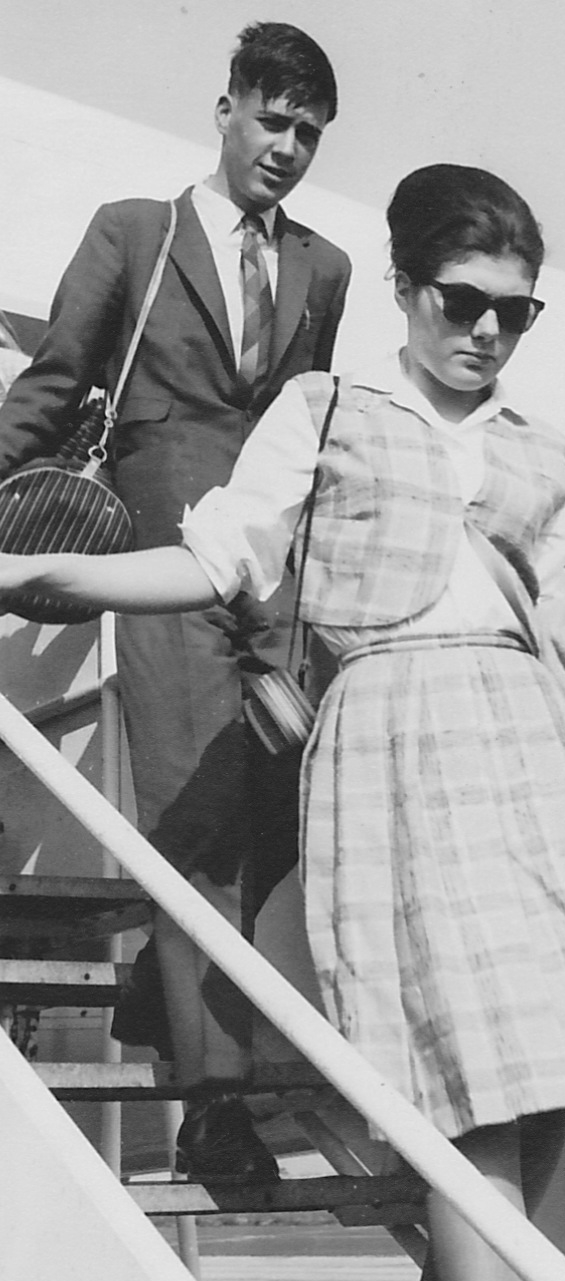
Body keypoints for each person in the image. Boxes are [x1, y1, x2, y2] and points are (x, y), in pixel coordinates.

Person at [0, 163, 565, 1281]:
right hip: (394, 746)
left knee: (555, 1094)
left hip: (529, 753)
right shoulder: (321, 411)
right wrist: (45, 567)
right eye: (461, 300)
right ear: (401, 286)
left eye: (516, 311)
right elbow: (217, 561)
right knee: (478, 1110)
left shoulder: (544, 452)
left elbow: (539, 616)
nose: (487, 331)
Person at [0, 23, 351, 1181]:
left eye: (308, 133)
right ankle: (214, 1105)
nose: (286, 148)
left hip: (270, 569)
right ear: (226, 109)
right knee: (197, 809)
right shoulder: (135, 233)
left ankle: (166, 991)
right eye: (272, 120)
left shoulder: (325, 270)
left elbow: (307, 425)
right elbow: (54, 387)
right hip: (162, 557)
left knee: (283, 801)